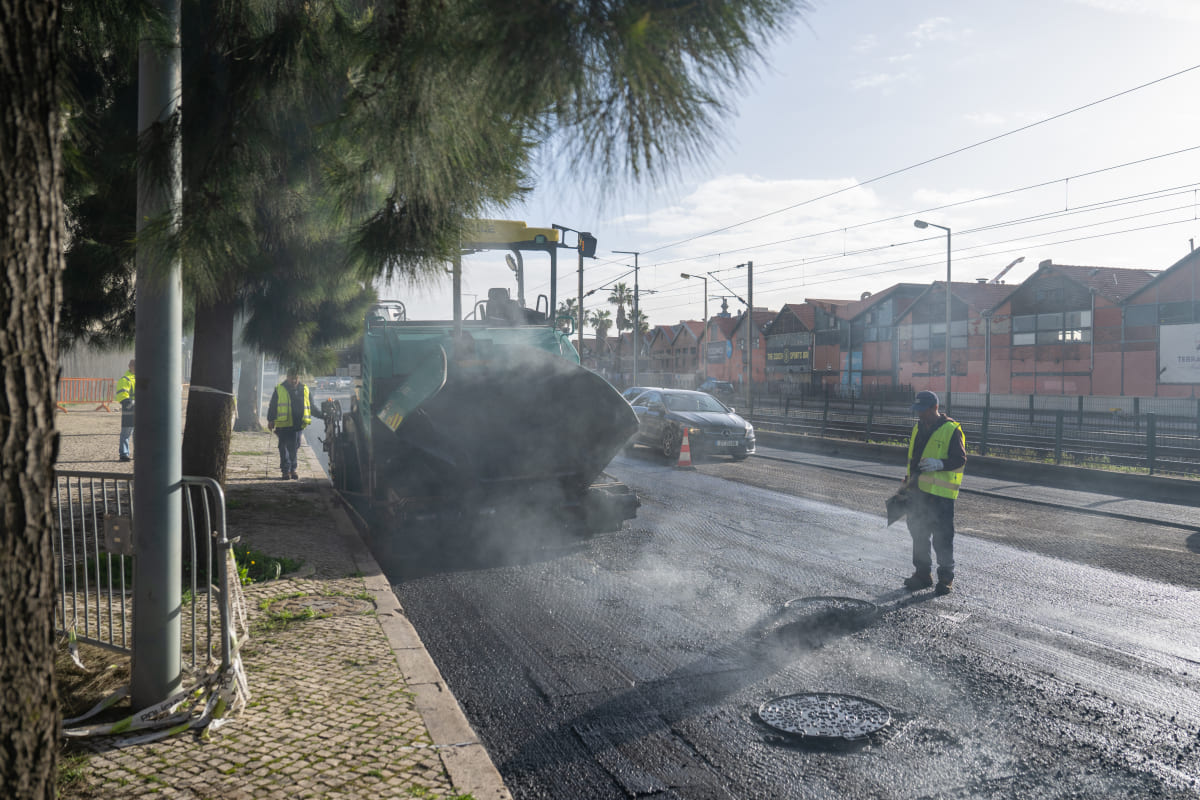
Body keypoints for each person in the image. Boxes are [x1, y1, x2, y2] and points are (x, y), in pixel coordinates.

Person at [901, 390, 966, 596]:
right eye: (917, 411)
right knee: (918, 532)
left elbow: (960, 459)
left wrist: (940, 464)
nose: (920, 415)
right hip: (918, 491)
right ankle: (922, 574)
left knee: (942, 537)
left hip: (941, 496)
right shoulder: (918, 427)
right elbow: (913, 458)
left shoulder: (951, 429)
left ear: (935, 408)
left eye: (923, 411)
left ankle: (946, 578)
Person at [267, 371, 320, 480]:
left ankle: (293, 469)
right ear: (287, 377)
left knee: (294, 447)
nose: (294, 380)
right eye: (291, 378)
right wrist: (270, 420)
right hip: (284, 424)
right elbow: (273, 406)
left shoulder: (305, 389)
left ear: (298, 377)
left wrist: (322, 415)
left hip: (298, 424)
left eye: (296, 378)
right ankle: (286, 471)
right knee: (284, 447)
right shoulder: (279, 389)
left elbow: (312, 407)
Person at [115, 358, 135, 462]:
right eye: (134, 366)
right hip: (130, 410)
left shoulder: (139, 378)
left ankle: (138, 453)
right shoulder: (125, 379)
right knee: (126, 433)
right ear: (130, 367)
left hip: (139, 409)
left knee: (138, 433)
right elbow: (122, 396)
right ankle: (124, 454)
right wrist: (132, 403)